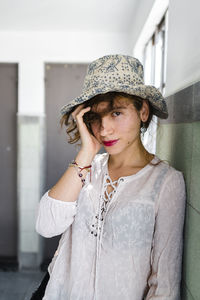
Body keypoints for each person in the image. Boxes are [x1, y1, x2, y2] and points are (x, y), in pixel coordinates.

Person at [34, 54, 186, 300]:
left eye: (116, 113)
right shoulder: (86, 168)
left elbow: (165, 286)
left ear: (143, 111)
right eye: (95, 117)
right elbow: (46, 225)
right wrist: (86, 152)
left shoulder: (165, 182)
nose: (104, 129)